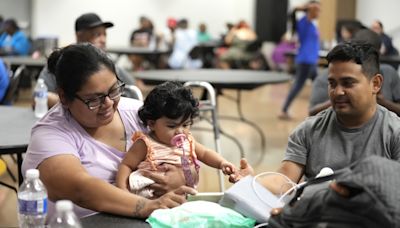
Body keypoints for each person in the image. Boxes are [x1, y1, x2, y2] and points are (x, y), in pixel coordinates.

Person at [22, 43, 197, 220]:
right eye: (93, 99)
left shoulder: (140, 115)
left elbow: (187, 153)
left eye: (114, 90)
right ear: (64, 97)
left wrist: (182, 176)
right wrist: (147, 206)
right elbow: (80, 188)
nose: (108, 104)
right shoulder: (50, 134)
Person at [231, 41, 400, 188]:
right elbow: (283, 182)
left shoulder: (395, 133)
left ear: (376, 84)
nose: (338, 92)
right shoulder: (308, 130)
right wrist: (252, 182)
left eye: (348, 83)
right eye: (332, 83)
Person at [116, 81, 236, 197]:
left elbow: (205, 153)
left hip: (179, 197)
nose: (180, 131)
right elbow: (126, 165)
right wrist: (122, 191)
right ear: (152, 124)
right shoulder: (146, 144)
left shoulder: (187, 141)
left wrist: (222, 163)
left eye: (185, 125)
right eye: (172, 126)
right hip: (148, 197)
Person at [37, 13, 136, 108]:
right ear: (79, 36)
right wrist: (78, 104)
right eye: (97, 34)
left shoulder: (105, 63)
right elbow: (39, 97)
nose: (103, 40)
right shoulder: (62, 63)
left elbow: (133, 89)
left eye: (104, 34)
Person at [309, 29, 400, 116]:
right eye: (332, 83)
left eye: (348, 83)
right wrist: (338, 100)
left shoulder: (389, 73)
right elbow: (312, 112)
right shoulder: (326, 77)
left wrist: (383, 102)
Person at [279, 1, 320, 120]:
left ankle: (320, 110)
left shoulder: (312, 24)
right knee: (298, 85)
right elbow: (292, 13)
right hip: (305, 60)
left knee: (320, 84)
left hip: (311, 61)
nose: (319, 12)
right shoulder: (304, 22)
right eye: (317, 9)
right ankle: (284, 109)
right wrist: (304, 8)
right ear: (310, 10)